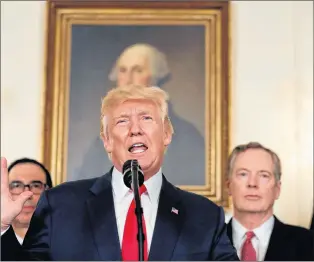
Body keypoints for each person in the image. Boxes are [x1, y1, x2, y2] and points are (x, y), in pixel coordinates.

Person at [1, 85, 239, 261]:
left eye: (146, 118)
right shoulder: (60, 205)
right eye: (122, 122)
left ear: (166, 134)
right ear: (106, 141)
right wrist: (1, 227)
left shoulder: (204, 216)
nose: (135, 130)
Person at [79, 43, 205, 186]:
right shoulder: (102, 141)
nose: (128, 78)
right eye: (123, 70)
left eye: (138, 70)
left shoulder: (186, 135)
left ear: (156, 77)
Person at [226, 142, 314, 261]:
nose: (252, 183)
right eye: (243, 174)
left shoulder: (308, 243)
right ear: (229, 186)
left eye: (264, 175)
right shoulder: (203, 243)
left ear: (277, 189)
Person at [1, 158, 53, 259]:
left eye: (36, 186)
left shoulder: (67, 244)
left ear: (50, 192)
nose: (26, 195)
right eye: (16, 185)